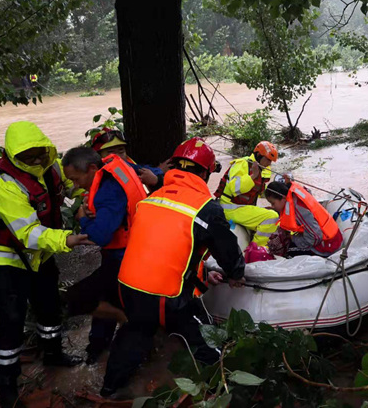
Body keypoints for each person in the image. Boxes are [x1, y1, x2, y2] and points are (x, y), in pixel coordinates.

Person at [101, 137, 245, 397]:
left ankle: (109, 389)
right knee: (206, 337)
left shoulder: (153, 197)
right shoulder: (206, 208)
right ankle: (225, 389)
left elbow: (167, 251)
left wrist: (201, 273)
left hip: (128, 287)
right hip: (166, 296)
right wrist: (236, 273)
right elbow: (227, 249)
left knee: (133, 335)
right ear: (203, 172)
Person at [0, 122, 93, 408]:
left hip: (39, 254)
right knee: (11, 319)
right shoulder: (3, 185)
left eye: (39, 153)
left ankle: (53, 354)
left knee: (48, 304)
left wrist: (83, 199)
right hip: (3, 257)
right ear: (13, 156)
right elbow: (28, 234)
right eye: (28, 156)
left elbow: (70, 186)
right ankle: (6, 382)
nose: (35, 160)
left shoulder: (51, 166)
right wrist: (66, 239)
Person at [62, 147, 147, 364]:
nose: (76, 185)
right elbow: (142, 171)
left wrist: (83, 217)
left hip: (123, 259)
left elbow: (99, 235)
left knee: (76, 298)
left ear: (92, 168)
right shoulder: (118, 165)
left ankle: (122, 322)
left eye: (76, 179)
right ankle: (99, 347)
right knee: (106, 299)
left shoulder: (108, 191)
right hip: (133, 251)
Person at [214, 141, 279, 247]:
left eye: (271, 161)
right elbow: (235, 188)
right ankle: (256, 250)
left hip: (243, 207)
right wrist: (253, 176)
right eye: (268, 160)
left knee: (274, 214)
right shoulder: (242, 164)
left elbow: (258, 191)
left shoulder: (262, 169)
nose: (269, 164)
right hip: (231, 208)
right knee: (271, 217)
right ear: (258, 155)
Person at [265, 181, 343, 257]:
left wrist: (294, 238)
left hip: (327, 246)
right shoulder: (296, 196)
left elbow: (315, 237)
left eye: (273, 203)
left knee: (286, 251)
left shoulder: (298, 211)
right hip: (331, 237)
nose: (272, 206)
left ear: (283, 198)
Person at [90, 128, 168, 191]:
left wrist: (157, 176)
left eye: (121, 150)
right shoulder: (97, 176)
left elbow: (142, 169)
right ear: (99, 156)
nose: (118, 156)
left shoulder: (129, 165)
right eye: (111, 152)